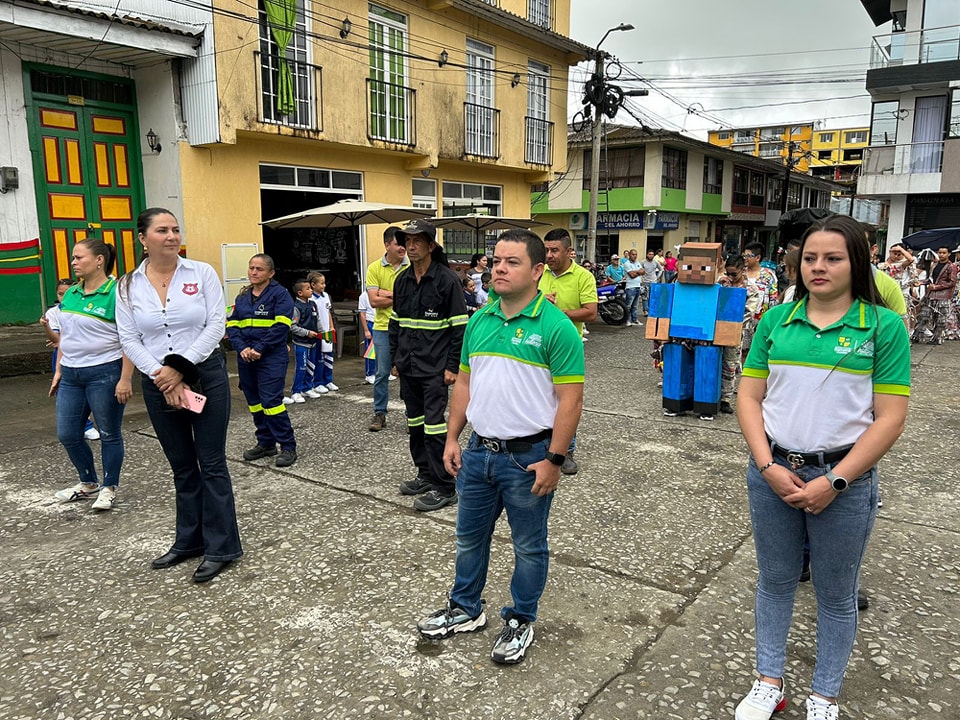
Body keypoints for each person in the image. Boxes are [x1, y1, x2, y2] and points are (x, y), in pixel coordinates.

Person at [734, 214, 910, 720]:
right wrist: (765, 464)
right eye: (810, 257)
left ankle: (825, 694)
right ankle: (770, 679)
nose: (818, 267)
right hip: (772, 472)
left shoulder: (883, 327)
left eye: (832, 258)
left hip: (844, 482)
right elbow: (749, 397)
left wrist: (836, 480)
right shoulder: (776, 321)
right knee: (775, 581)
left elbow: (890, 418)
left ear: (858, 262)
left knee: (836, 593)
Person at [417, 229, 584, 665]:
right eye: (496, 261)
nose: (500, 269)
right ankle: (466, 609)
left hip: (528, 458)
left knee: (529, 546)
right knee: (469, 538)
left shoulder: (556, 327)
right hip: (478, 452)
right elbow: (466, 383)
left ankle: (520, 620)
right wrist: (452, 438)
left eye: (512, 262)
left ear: (537, 271)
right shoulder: (480, 320)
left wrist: (555, 459)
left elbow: (571, 400)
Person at [117, 208, 243, 583]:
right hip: (158, 383)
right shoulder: (127, 286)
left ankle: (222, 547)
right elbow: (129, 338)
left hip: (204, 376)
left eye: (175, 229)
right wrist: (163, 377)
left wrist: (179, 370)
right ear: (143, 238)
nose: (171, 236)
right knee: (182, 467)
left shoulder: (201, 273)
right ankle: (188, 541)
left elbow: (214, 324)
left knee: (211, 463)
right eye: (162, 230)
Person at [389, 219, 468, 512]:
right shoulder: (402, 280)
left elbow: (460, 328)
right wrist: (396, 358)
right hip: (408, 368)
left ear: (431, 246)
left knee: (435, 429)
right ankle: (424, 474)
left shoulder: (447, 281)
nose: (410, 245)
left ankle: (445, 486)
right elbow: (396, 323)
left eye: (417, 240)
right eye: (406, 241)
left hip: (435, 370)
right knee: (415, 425)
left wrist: (452, 367)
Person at [50, 238, 133, 510]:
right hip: (72, 374)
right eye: (73, 258)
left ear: (99, 260)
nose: (73, 263)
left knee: (109, 433)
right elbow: (65, 336)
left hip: (105, 372)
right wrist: (59, 369)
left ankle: (109, 487)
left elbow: (129, 338)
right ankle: (88, 481)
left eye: (79, 257)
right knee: (68, 434)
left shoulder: (116, 293)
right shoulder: (72, 293)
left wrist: (125, 378)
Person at [227, 254, 298, 467]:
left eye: (259, 269)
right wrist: (242, 349)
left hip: (270, 357)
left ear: (271, 273)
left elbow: (281, 326)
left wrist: (258, 348)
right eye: (251, 268)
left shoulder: (280, 295)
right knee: (255, 403)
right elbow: (233, 326)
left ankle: (287, 446)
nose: (253, 272)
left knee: (271, 402)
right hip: (246, 357)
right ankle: (266, 443)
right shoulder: (243, 297)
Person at [538, 228, 596, 475]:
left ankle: (565, 450)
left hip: (568, 346)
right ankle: (542, 444)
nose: (549, 255)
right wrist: (541, 303)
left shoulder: (583, 276)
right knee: (541, 396)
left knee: (567, 399)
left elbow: (591, 312)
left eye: (554, 250)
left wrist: (558, 313)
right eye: (546, 250)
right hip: (537, 343)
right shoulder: (538, 273)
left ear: (569, 251)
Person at [41, 278, 99, 441]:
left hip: (84, 354)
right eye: (60, 294)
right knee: (65, 390)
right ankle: (81, 426)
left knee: (88, 390)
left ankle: (87, 424)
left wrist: (62, 339)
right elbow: (57, 339)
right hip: (62, 356)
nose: (63, 297)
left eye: (68, 293)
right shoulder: (53, 313)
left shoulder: (85, 307)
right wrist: (46, 327)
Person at [365, 227, 410, 431]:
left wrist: (387, 294)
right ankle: (379, 413)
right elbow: (373, 301)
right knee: (382, 373)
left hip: (408, 328)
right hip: (383, 328)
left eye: (404, 243)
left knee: (409, 373)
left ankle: (413, 415)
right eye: (398, 243)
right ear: (386, 245)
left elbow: (413, 300)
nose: (403, 248)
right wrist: (400, 295)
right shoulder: (374, 268)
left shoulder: (412, 266)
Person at [717, 254, 760, 415]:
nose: (730, 277)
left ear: (743, 270)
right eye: (728, 273)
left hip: (735, 332)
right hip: (715, 330)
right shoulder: (721, 283)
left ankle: (725, 399)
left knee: (730, 364)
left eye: (734, 274)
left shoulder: (751, 290)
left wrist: (730, 325)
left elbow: (749, 312)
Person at [284, 279, 321, 404]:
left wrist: (321, 332)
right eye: (308, 289)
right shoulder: (296, 308)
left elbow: (317, 320)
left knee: (311, 366)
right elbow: (292, 326)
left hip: (314, 342)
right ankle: (296, 391)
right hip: (301, 343)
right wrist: (307, 333)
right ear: (300, 293)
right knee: (301, 367)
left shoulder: (312, 304)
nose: (311, 290)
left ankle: (307, 387)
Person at [912, 247, 957, 345]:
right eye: (940, 252)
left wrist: (936, 287)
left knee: (940, 319)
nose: (941, 254)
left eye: (944, 253)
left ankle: (937, 338)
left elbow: (952, 282)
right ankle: (917, 335)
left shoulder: (951, 266)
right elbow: (930, 279)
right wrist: (921, 283)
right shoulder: (934, 264)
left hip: (943, 296)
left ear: (949, 254)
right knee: (923, 315)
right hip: (930, 294)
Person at [307, 272, 337, 394]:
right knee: (318, 358)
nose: (324, 285)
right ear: (313, 285)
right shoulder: (310, 298)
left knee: (328, 356)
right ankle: (317, 382)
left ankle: (328, 380)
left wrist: (331, 327)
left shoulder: (326, 296)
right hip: (318, 332)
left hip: (327, 331)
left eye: (324, 283)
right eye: (321, 283)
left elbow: (328, 312)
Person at [621, 248, 644, 325]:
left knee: (635, 306)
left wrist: (636, 271)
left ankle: (635, 320)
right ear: (629, 255)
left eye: (636, 254)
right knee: (628, 306)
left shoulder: (637, 263)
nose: (635, 256)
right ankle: (627, 320)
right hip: (630, 287)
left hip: (638, 286)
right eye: (633, 254)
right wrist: (638, 271)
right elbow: (632, 275)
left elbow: (643, 271)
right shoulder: (627, 264)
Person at [358, 290, 376, 384]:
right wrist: (366, 330)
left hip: (381, 323)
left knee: (383, 349)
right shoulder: (363, 296)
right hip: (371, 323)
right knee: (371, 350)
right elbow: (362, 313)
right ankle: (370, 374)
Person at [639, 249, 663, 316]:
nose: (651, 256)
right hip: (645, 281)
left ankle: (651, 310)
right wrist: (641, 277)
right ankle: (645, 311)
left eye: (652, 254)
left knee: (653, 297)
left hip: (653, 282)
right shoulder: (643, 262)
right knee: (644, 297)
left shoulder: (655, 262)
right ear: (647, 255)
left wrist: (658, 277)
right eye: (649, 254)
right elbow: (639, 270)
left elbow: (661, 269)